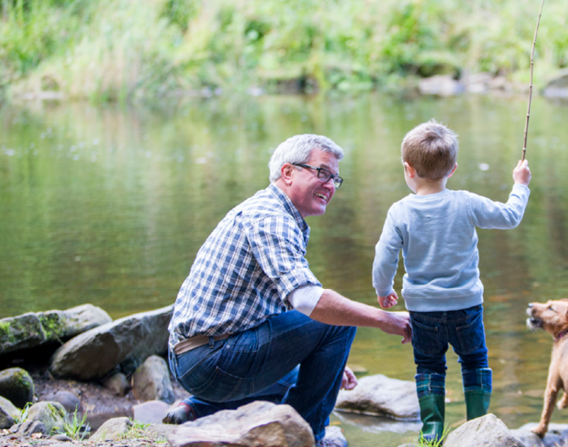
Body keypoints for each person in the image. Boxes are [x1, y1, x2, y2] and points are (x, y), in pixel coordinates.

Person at [165, 134, 412, 446]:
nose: (331, 185)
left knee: (307, 380)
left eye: (335, 178)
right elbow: (308, 300)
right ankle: (309, 436)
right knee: (339, 323)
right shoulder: (272, 218)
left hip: (193, 359)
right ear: (287, 172)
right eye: (322, 173)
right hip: (210, 360)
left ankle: (197, 411)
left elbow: (277, 310)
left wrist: (329, 364)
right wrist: (385, 320)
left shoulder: (272, 211)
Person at [372, 120, 531, 442]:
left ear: (408, 168)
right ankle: (477, 424)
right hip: (466, 305)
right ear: (453, 169)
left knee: (429, 366)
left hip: (422, 309)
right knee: (474, 361)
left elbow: (384, 256)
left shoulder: (399, 211)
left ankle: (431, 430)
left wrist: (384, 289)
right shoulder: (466, 202)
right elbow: (510, 217)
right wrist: (521, 184)